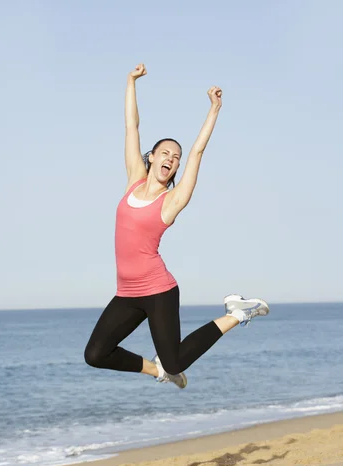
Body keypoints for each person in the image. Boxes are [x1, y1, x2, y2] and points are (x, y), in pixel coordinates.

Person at [84, 64, 269, 389]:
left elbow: (198, 151)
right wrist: (131, 82)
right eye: (165, 152)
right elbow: (131, 126)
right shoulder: (133, 181)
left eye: (176, 157)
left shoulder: (171, 202)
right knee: (96, 353)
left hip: (158, 292)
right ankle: (157, 372)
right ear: (151, 157)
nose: (171, 158)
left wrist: (214, 108)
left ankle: (238, 312)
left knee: (177, 360)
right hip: (126, 294)